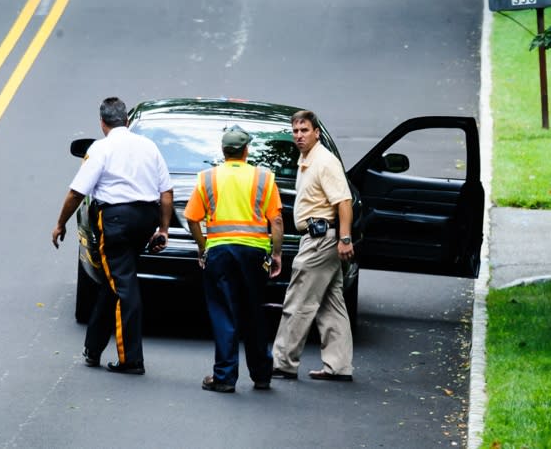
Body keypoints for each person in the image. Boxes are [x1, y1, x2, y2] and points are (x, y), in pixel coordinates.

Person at [52, 97, 173, 375]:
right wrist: (163, 229)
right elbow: (166, 193)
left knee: (123, 287)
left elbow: (77, 192)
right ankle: (92, 349)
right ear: (126, 121)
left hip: (116, 222)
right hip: (146, 219)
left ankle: (131, 359)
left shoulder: (101, 148)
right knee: (115, 279)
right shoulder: (149, 147)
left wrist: (60, 223)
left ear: (102, 123)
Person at [184, 125, 283, 393]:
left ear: (223, 151)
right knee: (255, 313)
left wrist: (203, 247)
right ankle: (262, 375)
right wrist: (275, 253)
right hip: (254, 254)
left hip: (220, 253)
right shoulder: (264, 178)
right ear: (246, 150)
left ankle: (225, 377)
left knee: (224, 313)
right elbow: (275, 219)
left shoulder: (207, 178)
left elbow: (192, 218)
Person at [271, 110, 355, 382]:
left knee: (298, 301)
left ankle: (283, 362)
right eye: (295, 131)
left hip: (321, 240)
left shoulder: (324, 161)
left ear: (317, 132)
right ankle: (339, 365)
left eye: (304, 130)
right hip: (322, 238)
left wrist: (344, 238)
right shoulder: (306, 159)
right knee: (332, 304)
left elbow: (343, 201)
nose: (299, 135)